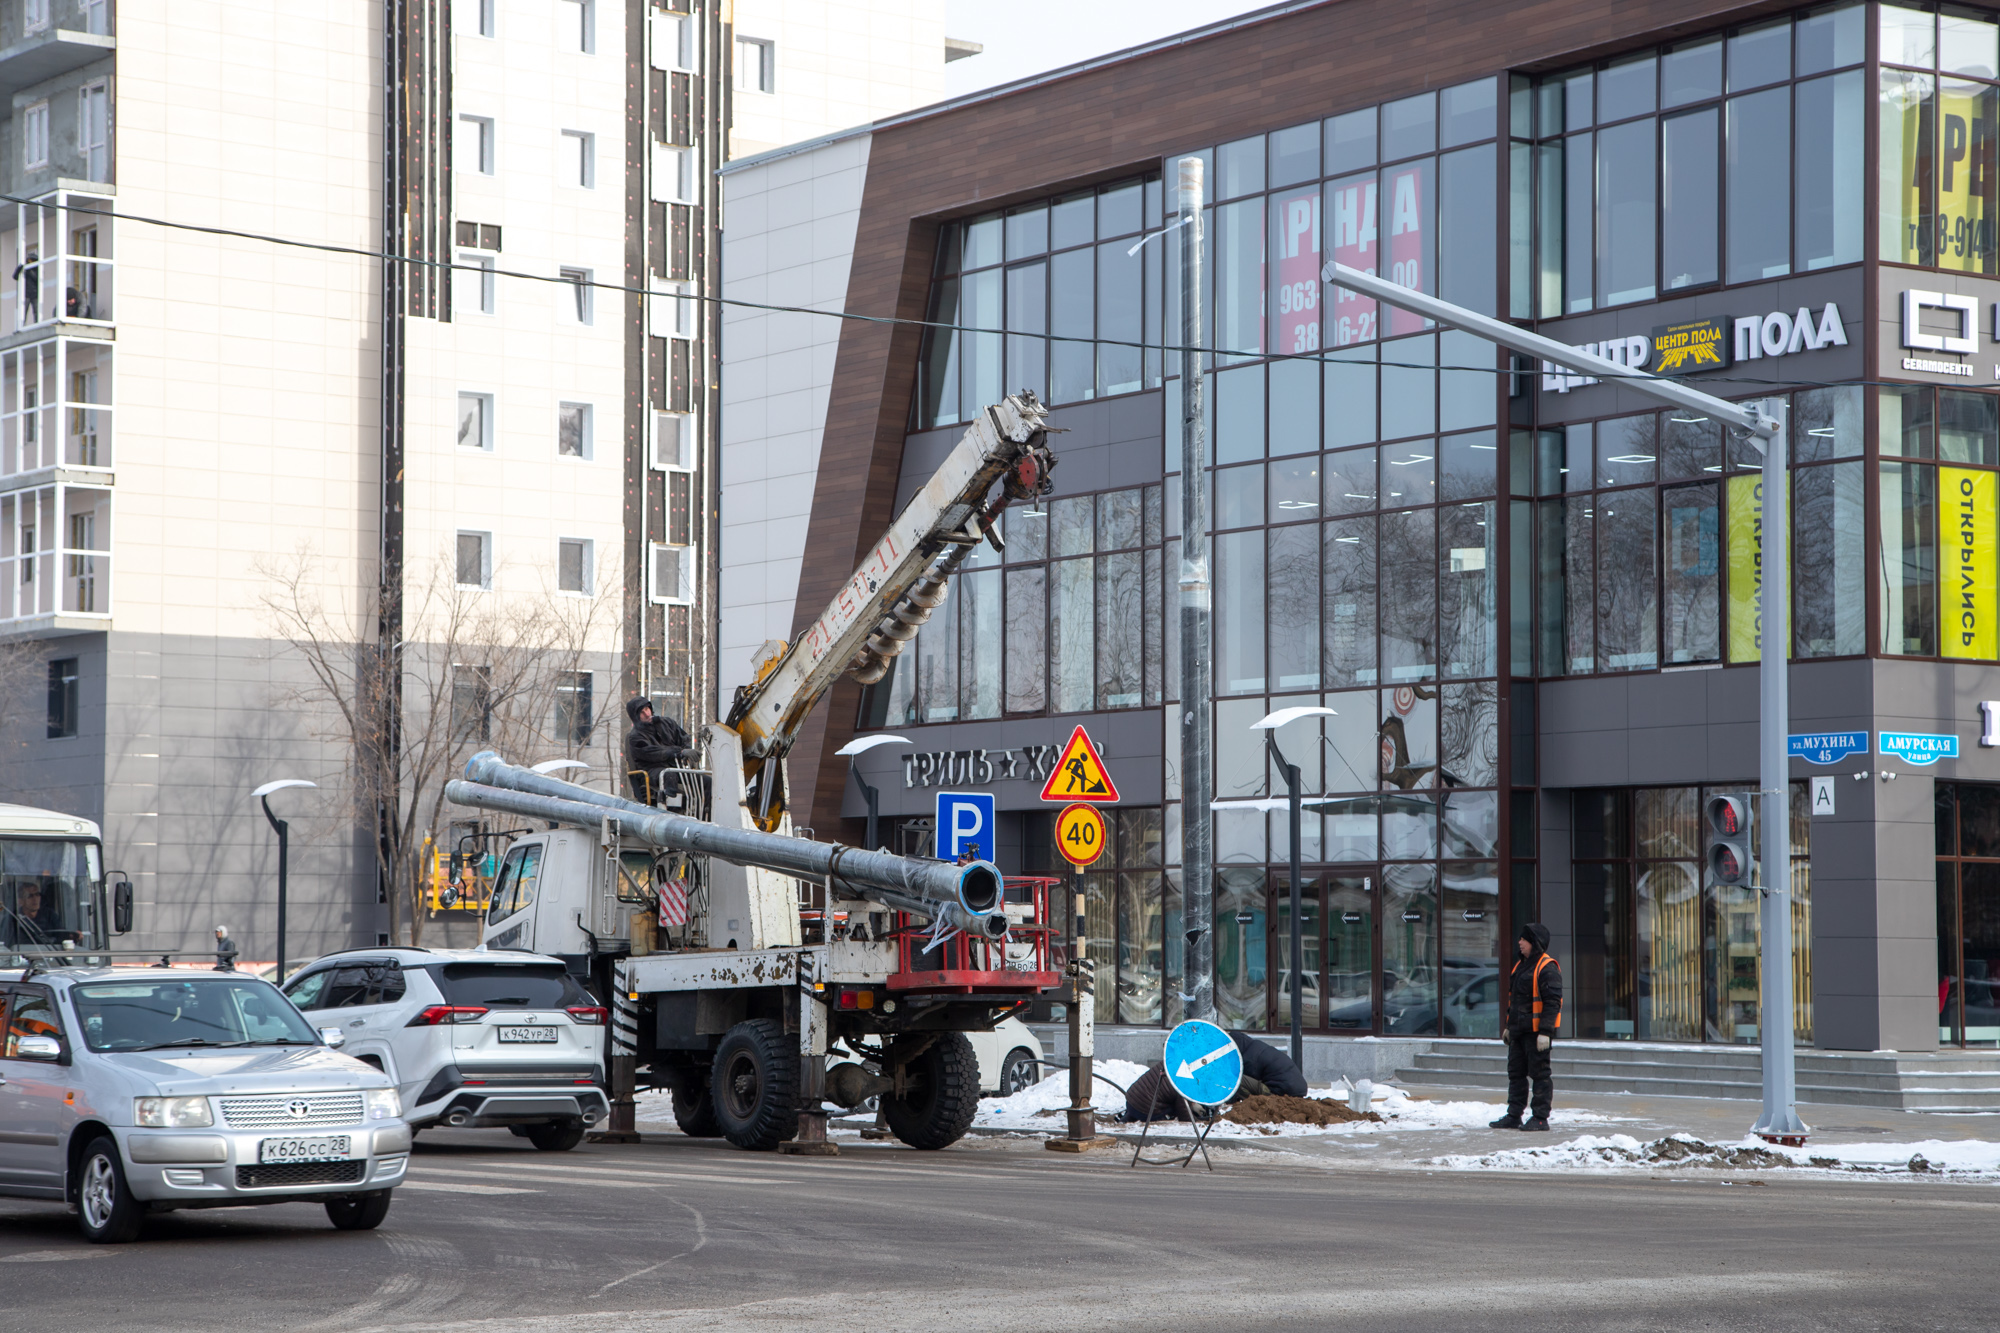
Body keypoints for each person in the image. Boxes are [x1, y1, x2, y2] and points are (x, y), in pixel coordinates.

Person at [1490, 923, 1563, 1131]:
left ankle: (1540, 1118)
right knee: (1516, 1074)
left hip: (1536, 1033)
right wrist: (1508, 1027)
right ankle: (1514, 1115)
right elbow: (1515, 1001)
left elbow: (1553, 1002)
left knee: (1540, 1074)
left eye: (1524, 939)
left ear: (1534, 942)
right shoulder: (1521, 965)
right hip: (1519, 1032)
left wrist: (1546, 1032)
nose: (1519, 942)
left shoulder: (1547, 967)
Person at [624, 696, 696, 805]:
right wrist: (679, 753)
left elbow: (683, 738)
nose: (647, 714)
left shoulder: (667, 723)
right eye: (642, 712)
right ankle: (671, 810)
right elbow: (654, 753)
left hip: (674, 768)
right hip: (651, 771)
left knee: (704, 781)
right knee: (669, 774)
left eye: (647, 709)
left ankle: (706, 812)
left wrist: (687, 751)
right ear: (636, 717)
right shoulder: (635, 737)